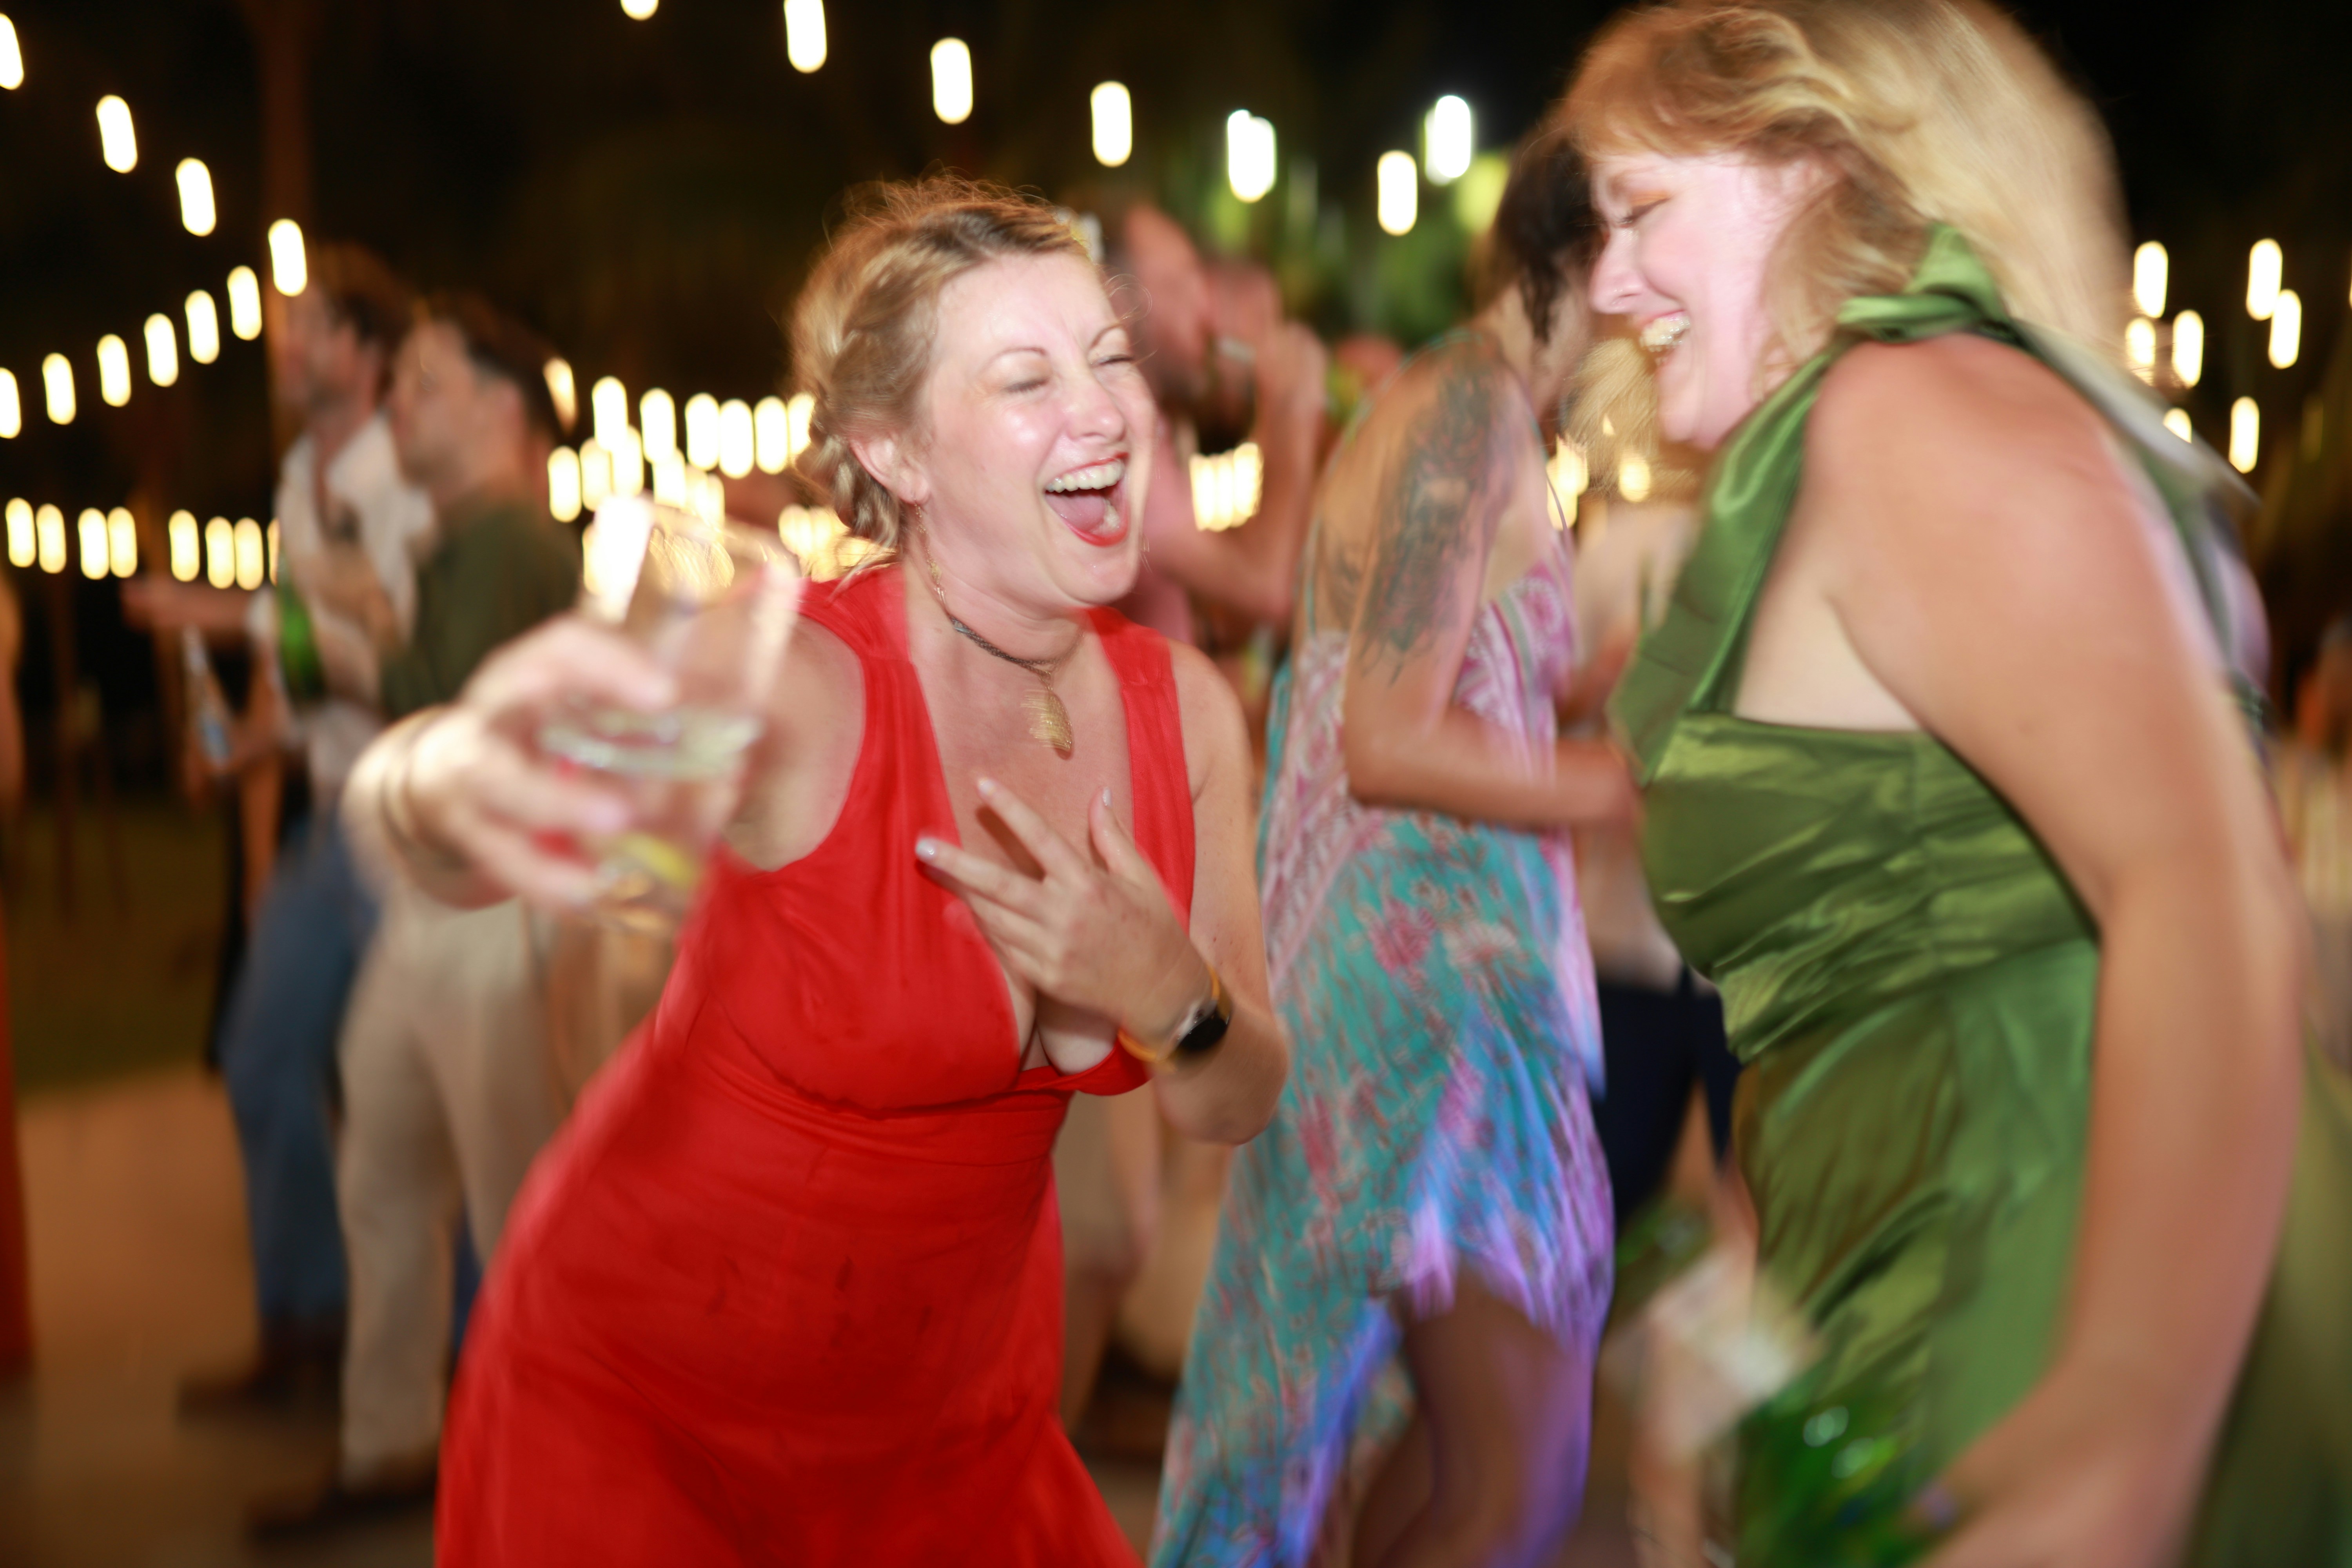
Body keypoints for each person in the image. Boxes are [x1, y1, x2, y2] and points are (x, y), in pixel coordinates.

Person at [339, 180, 1288, 1564]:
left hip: (951, 1449)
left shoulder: (1186, 711)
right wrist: (455, 778)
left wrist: (1170, 991)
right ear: (894, 453)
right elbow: (441, 825)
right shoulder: (794, 684)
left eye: (1111, 359)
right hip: (647, 1421)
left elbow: (1238, 1097)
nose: (1106, 416)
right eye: (1028, 378)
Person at [1566, 2, 2352, 1562]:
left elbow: (2204, 893)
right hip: (1935, 1289)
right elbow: (1872, 961)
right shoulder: (1821, 459)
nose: (1604, 283)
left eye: (1642, 212)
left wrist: (2122, 1433)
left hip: (2059, 1288)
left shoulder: (1907, 413)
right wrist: (1747, 1312)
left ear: (1807, 167)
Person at [1156, 129, 1629, 1568]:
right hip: (1427, 998)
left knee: (1443, 1464)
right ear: (1592, 263)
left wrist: (1583, 694)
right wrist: (1618, 787)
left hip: (1432, 974)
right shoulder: (1467, 410)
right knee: (1517, 1479)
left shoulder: (1486, 414)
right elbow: (1381, 736)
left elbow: (1438, 684)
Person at [251, 292, 581, 1534]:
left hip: (493, 914)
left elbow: (449, 711)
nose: (401, 400)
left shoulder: (505, 539)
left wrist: (347, 649)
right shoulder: (465, 545)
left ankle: (547, 1471)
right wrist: (376, 624)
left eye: (428, 381)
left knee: (511, 1207)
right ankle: (394, 1443)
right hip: (440, 907)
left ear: (506, 413)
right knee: (386, 1171)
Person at [125, 244, 434, 1410]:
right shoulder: (303, 471)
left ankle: (459, 1361)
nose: (281, 348)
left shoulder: (407, 475)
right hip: (327, 834)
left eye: (304, 328)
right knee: (261, 1063)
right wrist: (252, 768)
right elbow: (304, 669)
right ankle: (306, 1321)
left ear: (361, 352)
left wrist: (227, 612)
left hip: (410, 830)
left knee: (418, 1098)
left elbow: (387, 652)